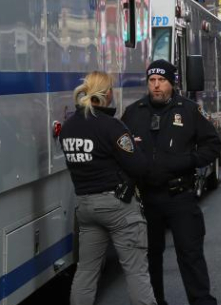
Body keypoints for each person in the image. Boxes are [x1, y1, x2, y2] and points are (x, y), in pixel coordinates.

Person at [122, 60, 221, 305]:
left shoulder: (187, 110)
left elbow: (213, 145)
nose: (156, 86)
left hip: (180, 196)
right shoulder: (133, 113)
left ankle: (201, 301)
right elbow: (120, 151)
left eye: (162, 81)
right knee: (150, 257)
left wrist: (188, 160)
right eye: (152, 81)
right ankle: (156, 301)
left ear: (172, 83)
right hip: (147, 199)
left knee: (190, 254)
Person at [58, 71, 156, 305]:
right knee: (136, 271)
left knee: (86, 272)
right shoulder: (111, 126)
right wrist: (134, 145)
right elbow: (139, 167)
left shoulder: (69, 127)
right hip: (117, 206)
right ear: (106, 93)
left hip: (85, 206)